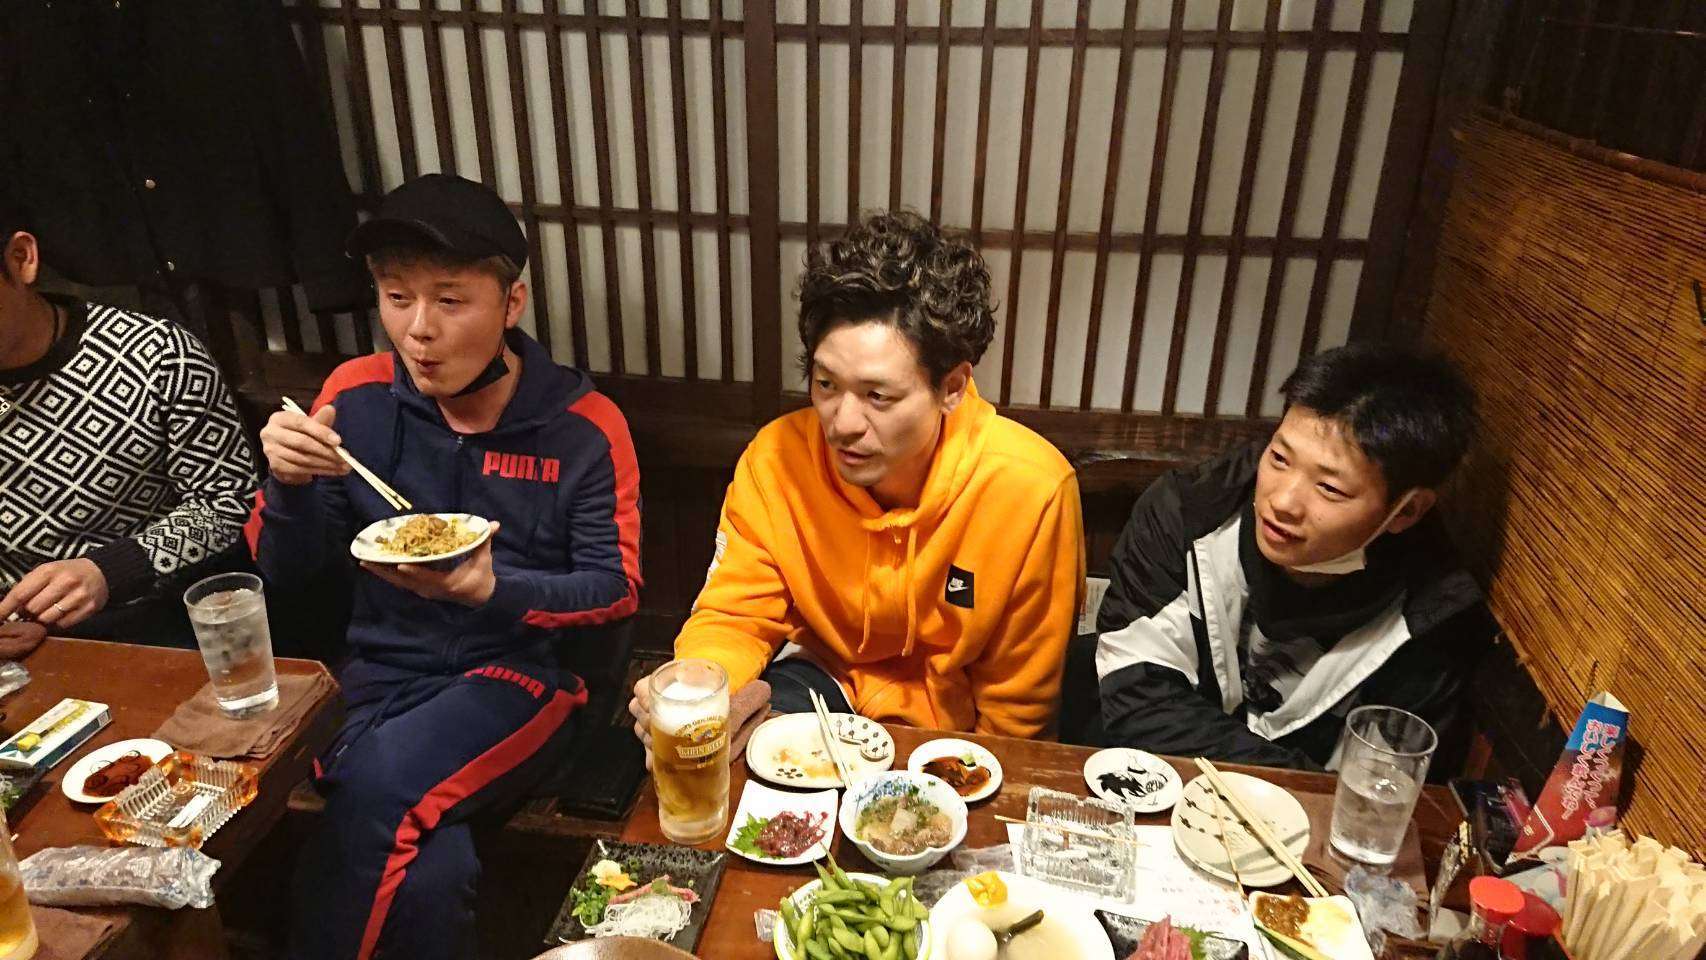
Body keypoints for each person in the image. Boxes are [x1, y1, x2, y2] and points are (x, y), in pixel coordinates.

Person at [248, 174, 641, 960]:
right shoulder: (354, 398)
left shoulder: (584, 427)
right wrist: (288, 486)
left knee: (380, 783)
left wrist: (493, 590)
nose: (418, 330)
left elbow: (615, 588)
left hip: (520, 680)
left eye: (450, 300)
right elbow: (287, 576)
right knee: (429, 877)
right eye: (397, 298)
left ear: (512, 302)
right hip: (376, 676)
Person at [630, 210, 1085, 753]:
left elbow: (1017, 713)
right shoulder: (777, 460)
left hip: (954, 726)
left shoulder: (1030, 490)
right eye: (826, 384)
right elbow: (734, 615)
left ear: (952, 388)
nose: (842, 423)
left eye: (878, 395)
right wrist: (697, 693)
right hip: (827, 687)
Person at [1094, 343, 1495, 771]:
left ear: (1407, 511)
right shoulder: (1189, 510)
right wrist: (1291, 775)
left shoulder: (1430, 615)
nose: (1282, 501)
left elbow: (1384, 778)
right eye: (1280, 458)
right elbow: (1134, 693)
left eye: (1330, 488)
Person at [0, 193, 257, 644]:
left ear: (22, 258)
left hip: (159, 621)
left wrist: (111, 570)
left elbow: (227, 501)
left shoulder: (157, 355)